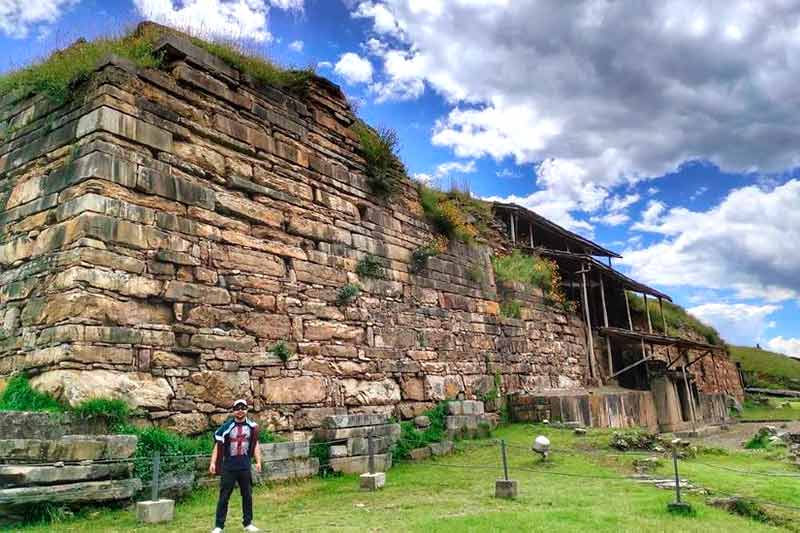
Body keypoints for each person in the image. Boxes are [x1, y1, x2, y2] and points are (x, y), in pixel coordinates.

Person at [210, 399, 262, 533]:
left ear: (247, 410)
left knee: (247, 495)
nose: (240, 410)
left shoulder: (252, 427)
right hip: (229, 467)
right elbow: (218, 444)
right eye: (237, 408)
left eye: (243, 408)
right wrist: (213, 462)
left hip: (245, 466)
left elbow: (255, 444)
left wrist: (258, 461)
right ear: (233, 411)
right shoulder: (226, 427)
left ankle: (248, 523)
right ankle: (219, 526)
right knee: (224, 497)